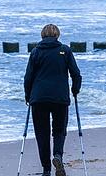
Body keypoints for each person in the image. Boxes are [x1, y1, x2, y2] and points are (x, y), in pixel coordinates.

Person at [23, 24, 82, 176]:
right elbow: (76, 74)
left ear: (42, 35)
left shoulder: (36, 51)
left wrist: (28, 95)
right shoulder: (65, 50)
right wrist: (75, 90)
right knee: (59, 131)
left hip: (39, 98)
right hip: (60, 98)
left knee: (42, 133)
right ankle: (58, 156)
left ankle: (46, 169)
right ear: (57, 35)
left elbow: (28, 77)